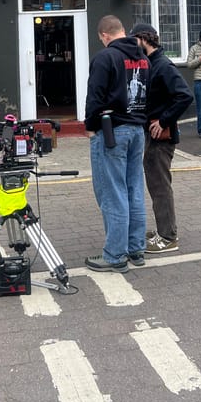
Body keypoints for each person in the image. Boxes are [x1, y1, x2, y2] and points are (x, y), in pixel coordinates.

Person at [84, 15, 150, 273]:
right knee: (134, 188)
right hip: (137, 129)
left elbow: (95, 96)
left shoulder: (105, 57)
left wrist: (90, 127)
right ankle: (136, 249)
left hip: (112, 130)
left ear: (104, 36)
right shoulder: (143, 58)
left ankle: (114, 254)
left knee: (112, 192)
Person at [130, 23, 193, 254]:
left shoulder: (163, 65)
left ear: (143, 39)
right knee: (156, 184)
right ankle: (162, 230)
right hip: (151, 134)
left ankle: (168, 237)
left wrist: (163, 121)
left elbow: (185, 96)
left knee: (159, 186)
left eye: (133, 40)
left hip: (161, 137)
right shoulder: (151, 63)